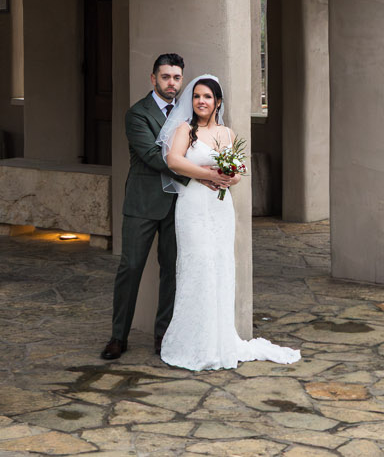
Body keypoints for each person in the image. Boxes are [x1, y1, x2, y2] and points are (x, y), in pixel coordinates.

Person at [158, 75, 300, 371]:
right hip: (194, 206)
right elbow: (173, 161)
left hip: (220, 209)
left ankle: (219, 340)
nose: (201, 101)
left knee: (220, 267)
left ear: (218, 102)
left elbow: (236, 174)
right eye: (197, 96)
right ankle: (193, 343)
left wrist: (227, 177)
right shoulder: (185, 129)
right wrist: (209, 174)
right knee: (197, 266)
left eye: (207, 97)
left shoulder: (227, 134)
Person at [101, 53, 197, 360]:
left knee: (171, 270)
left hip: (177, 204)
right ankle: (118, 337)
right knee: (130, 268)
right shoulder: (137, 114)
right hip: (142, 203)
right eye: (166, 77)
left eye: (177, 78)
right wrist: (200, 173)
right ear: (153, 79)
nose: (172, 83)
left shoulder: (189, 113)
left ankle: (162, 335)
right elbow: (154, 156)